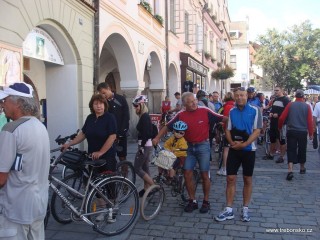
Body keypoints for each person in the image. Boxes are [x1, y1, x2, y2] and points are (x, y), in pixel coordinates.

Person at [153, 92, 225, 214]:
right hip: (188, 147)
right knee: (187, 173)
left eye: (195, 100)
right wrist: (157, 138)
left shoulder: (205, 111)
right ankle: (192, 200)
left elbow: (222, 118)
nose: (194, 103)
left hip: (203, 146)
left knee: (204, 175)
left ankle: (206, 201)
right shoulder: (181, 114)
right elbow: (167, 127)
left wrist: (230, 129)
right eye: (191, 102)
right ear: (184, 104)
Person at [0, 82, 50, 239]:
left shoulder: (11, 129)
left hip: (16, 208)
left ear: (18, 103)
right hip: (38, 204)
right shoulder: (40, 126)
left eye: (5, 100)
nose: (2, 104)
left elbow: (2, 176)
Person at [215, 87, 262, 223]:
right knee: (230, 179)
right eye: (237, 96)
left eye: (242, 95)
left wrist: (245, 143)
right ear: (234, 97)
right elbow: (228, 130)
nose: (240, 98)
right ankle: (229, 209)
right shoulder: (231, 111)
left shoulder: (255, 110)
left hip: (249, 151)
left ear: (247, 96)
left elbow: (257, 131)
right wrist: (232, 143)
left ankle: (245, 208)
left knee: (247, 179)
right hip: (235, 150)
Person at [62, 94, 117, 171]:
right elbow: (83, 134)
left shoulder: (110, 117)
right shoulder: (90, 118)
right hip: (92, 155)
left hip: (106, 155)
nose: (98, 106)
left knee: (106, 181)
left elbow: (112, 137)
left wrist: (101, 152)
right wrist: (69, 144)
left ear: (104, 105)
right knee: (91, 180)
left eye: (101, 103)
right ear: (92, 106)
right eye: (96, 104)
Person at [278, 90, 313, 181]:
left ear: (295, 96)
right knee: (302, 149)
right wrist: (311, 133)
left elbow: (282, 117)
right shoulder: (307, 106)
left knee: (291, 149)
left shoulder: (290, 105)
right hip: (302, 132)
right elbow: (310, 121)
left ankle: (290, 170)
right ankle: (302, 168)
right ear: (303, 97)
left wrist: (280, 126)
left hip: (291, 130)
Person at [97, 82, 130, 163]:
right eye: (101, 94)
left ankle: (124, 174)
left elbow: (126, 117)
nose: (103, 95)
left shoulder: (121, 99)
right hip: (108, 134)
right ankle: (112, 173)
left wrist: (121, 133)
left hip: (120, 133)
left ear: (109, 89)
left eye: (104, 93)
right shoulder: (103, 103)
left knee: (122, 156)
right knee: (109, 156)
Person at [132, 95, 154, 197]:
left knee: (137, 168)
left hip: (144, 145)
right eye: (134, 105)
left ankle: (153, 186)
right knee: (145, 167)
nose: (135, 107)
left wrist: (141, 147)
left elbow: (146, 133)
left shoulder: (144, 117)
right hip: (146, 145)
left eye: (136, 105)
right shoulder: (144, 116)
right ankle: (147, 189)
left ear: (142, 105)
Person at [263, 87, 290, 163]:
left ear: (281, 90)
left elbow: (287, 111)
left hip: (281, 123)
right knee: (272, 139)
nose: (276, 92)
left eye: (277, 90)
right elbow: (273, 109)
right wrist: (271, 113)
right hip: (273, 123)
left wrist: (278, 115)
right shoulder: (275, 100)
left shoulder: (286, 100)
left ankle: (282, 157)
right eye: (275, 90)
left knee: (282, 140)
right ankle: (271, 154)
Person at [216, 92, 235, 176]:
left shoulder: (226, 106)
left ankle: (225, 168)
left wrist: (222, 126)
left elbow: (225, 119)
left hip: (228, 130)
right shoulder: (236, 105)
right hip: (236, 130)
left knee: (226, 149)